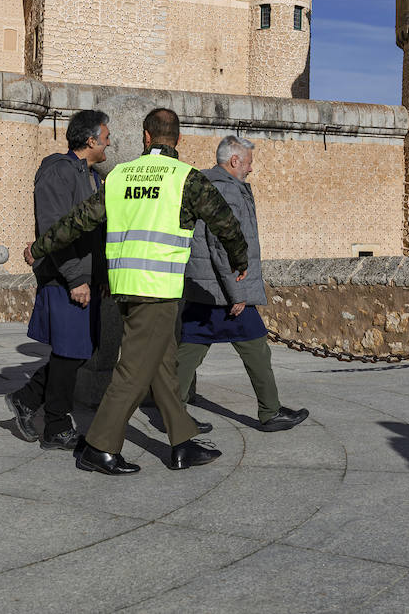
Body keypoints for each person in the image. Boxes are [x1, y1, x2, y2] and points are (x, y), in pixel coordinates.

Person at [24, 107, 248, 475]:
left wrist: (40, 246)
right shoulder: (185, 178)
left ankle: (182, 441)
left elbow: (78, 221)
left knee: (160, 365)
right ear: (179, 139)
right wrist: (240, 259)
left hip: (121, 287)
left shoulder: (119, 176)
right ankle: (99, 447)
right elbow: (225, 222)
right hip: (158, 289)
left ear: (145, 136)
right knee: (132, 371)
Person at [178, 136, 308, 430]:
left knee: (189, 349)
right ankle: (270, 411)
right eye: (248, 162)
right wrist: (237, 292)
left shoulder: (205, 184)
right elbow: (221, 243)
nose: (251, 169)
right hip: (225, 288)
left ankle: (171, 410)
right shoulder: (227, 190)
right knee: (256, 347)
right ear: (234, 161)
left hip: (204, 285)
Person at [5, 110, 111, 450]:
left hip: (86, 277)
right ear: (91, 140)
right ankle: (55, 426)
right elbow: (54, 229)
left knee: (78, 352)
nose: (110, 142)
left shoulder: (91, 176)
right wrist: (75, 278)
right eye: (106, 137)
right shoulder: (58, 171)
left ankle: (26, 398)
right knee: (70, 352)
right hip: (66, 278)